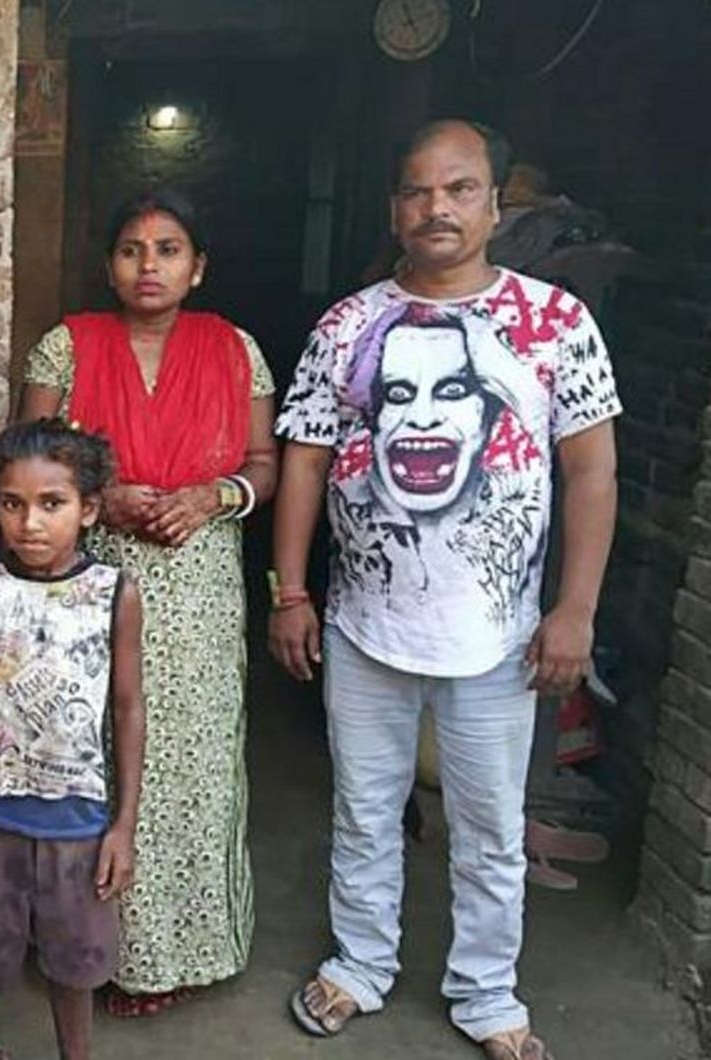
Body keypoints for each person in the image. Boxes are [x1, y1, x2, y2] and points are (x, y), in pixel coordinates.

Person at [271, 119, 620, 1060]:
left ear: (496, 205)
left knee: (492, 829)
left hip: (500, 638)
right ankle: (359, 964)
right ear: (395, 207)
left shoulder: (553, 323)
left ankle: (487, 991)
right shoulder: (348, 326)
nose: (438, 209)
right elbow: (302, 464)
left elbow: (591, 474)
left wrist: (575, 609)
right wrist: (291, 591)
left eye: (460, 189)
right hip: (362, 628)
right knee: (364, 809)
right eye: (420, 191)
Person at [19, 188, 280, 1015]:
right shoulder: (65, 348)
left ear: (197, 267)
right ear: (110, 265)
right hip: (89, 585)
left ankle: (185, 949)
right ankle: (86, 949)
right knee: (87, 759)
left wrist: (212, 497)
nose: (149, 265)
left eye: (169, 249)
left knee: (189, 769)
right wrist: (105, 494)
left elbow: (265, 461)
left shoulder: (237, 349)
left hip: (199, 594)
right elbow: (29, 463)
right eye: (132, 249)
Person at [0, 420, 146, 1060]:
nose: (30, 523)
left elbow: (129, 707)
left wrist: (123, 826)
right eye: (12, 504)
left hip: (76, 822)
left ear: (89, 509)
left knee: (74, 966)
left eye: (52, 504)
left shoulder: (114, 595)